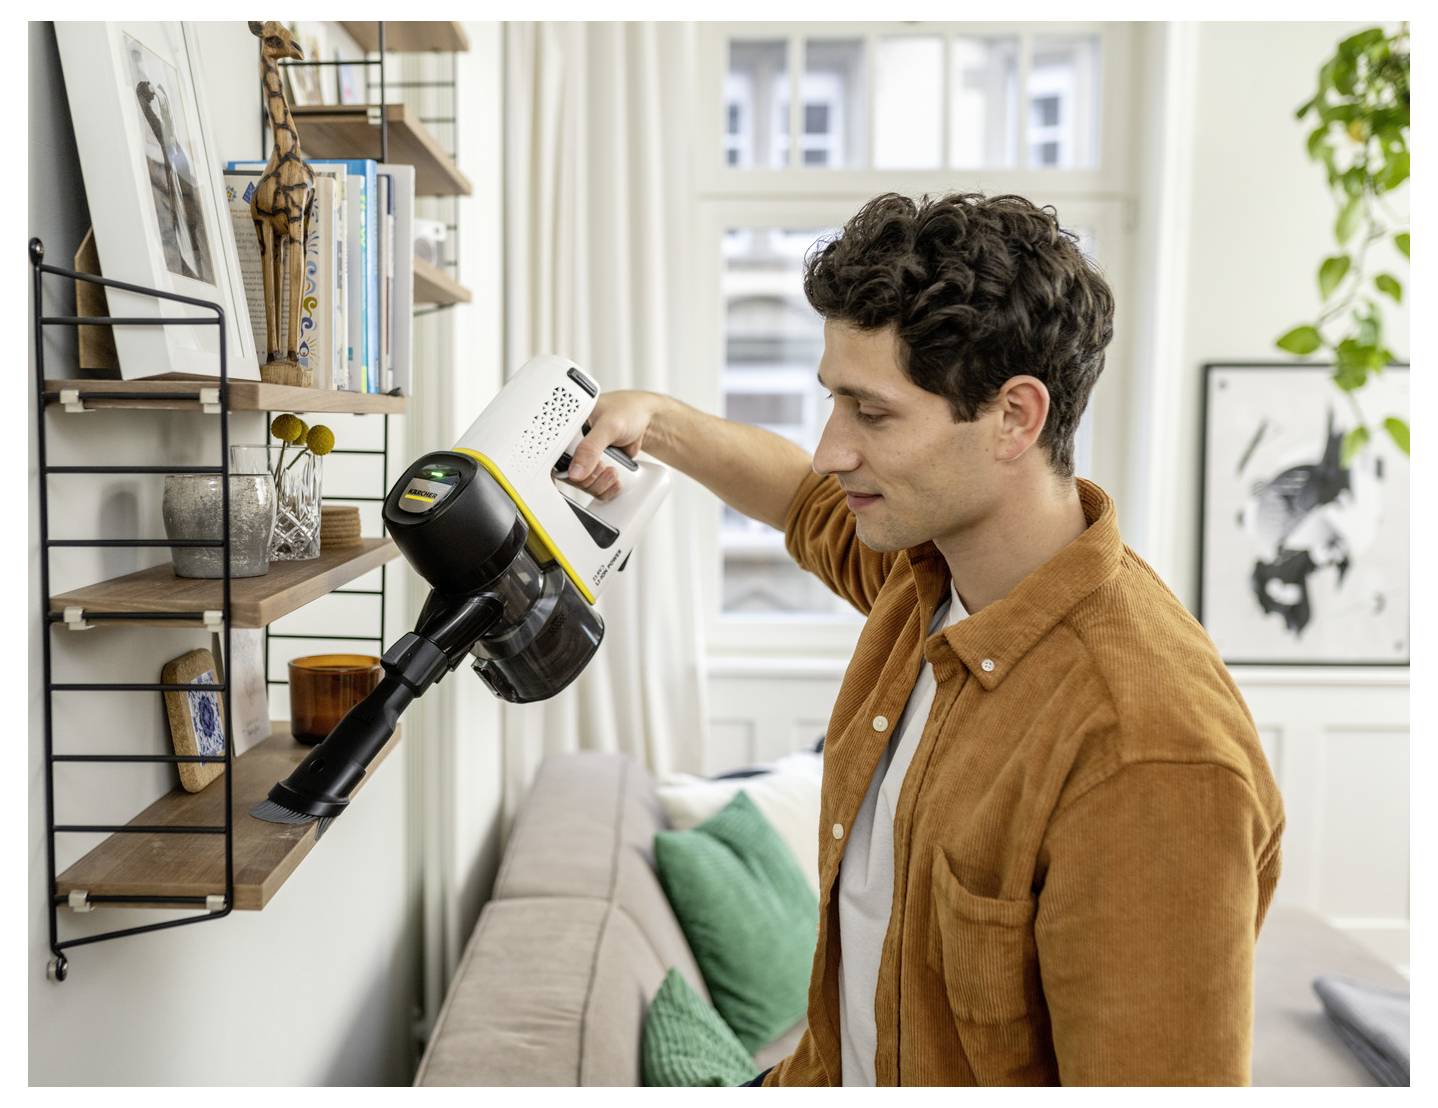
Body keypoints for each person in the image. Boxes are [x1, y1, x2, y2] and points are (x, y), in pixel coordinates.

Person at [560, 191, 1284, 1086]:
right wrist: (654, 421)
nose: (831, 448)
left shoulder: (1146, 752)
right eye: (834, 403)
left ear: (1015, 418)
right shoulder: (929, 574)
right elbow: (797, 496)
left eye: (872, 413)